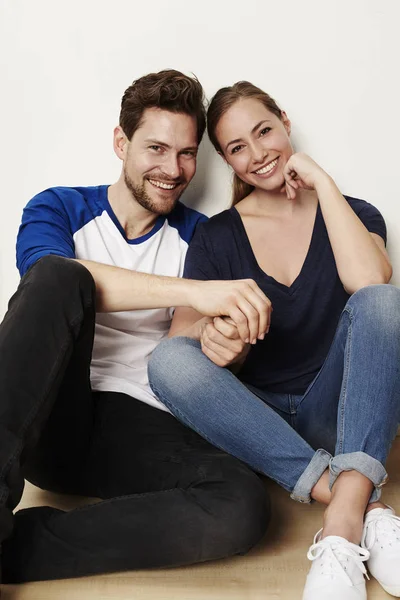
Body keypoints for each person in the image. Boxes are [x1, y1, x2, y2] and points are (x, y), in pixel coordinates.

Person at [0, 71, 272, 585]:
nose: (173, 169)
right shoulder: (58, 207)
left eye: (187, 153)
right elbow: (48, 284)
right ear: (121, 143)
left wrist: (225, 344)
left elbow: (190, 352)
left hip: (138, 426)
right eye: (156, 148)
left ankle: (18, 551)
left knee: (241, 503)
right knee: (57, 276)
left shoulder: (204, 238)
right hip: (52, 415)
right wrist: (194, 291)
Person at [148, 81, 400, 600]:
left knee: (386, 302)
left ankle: (339, 528)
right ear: (228, 162)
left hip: (337, 412)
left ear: (285, 122)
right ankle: (358, 501)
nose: (258, 154)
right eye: (238, 148)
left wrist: (322, 184)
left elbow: (372, 286)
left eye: (264, 131)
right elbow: (181, 351)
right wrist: (220, 337)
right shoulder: (216, 236)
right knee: (167, 361)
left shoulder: (352, 213)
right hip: (255, 421)